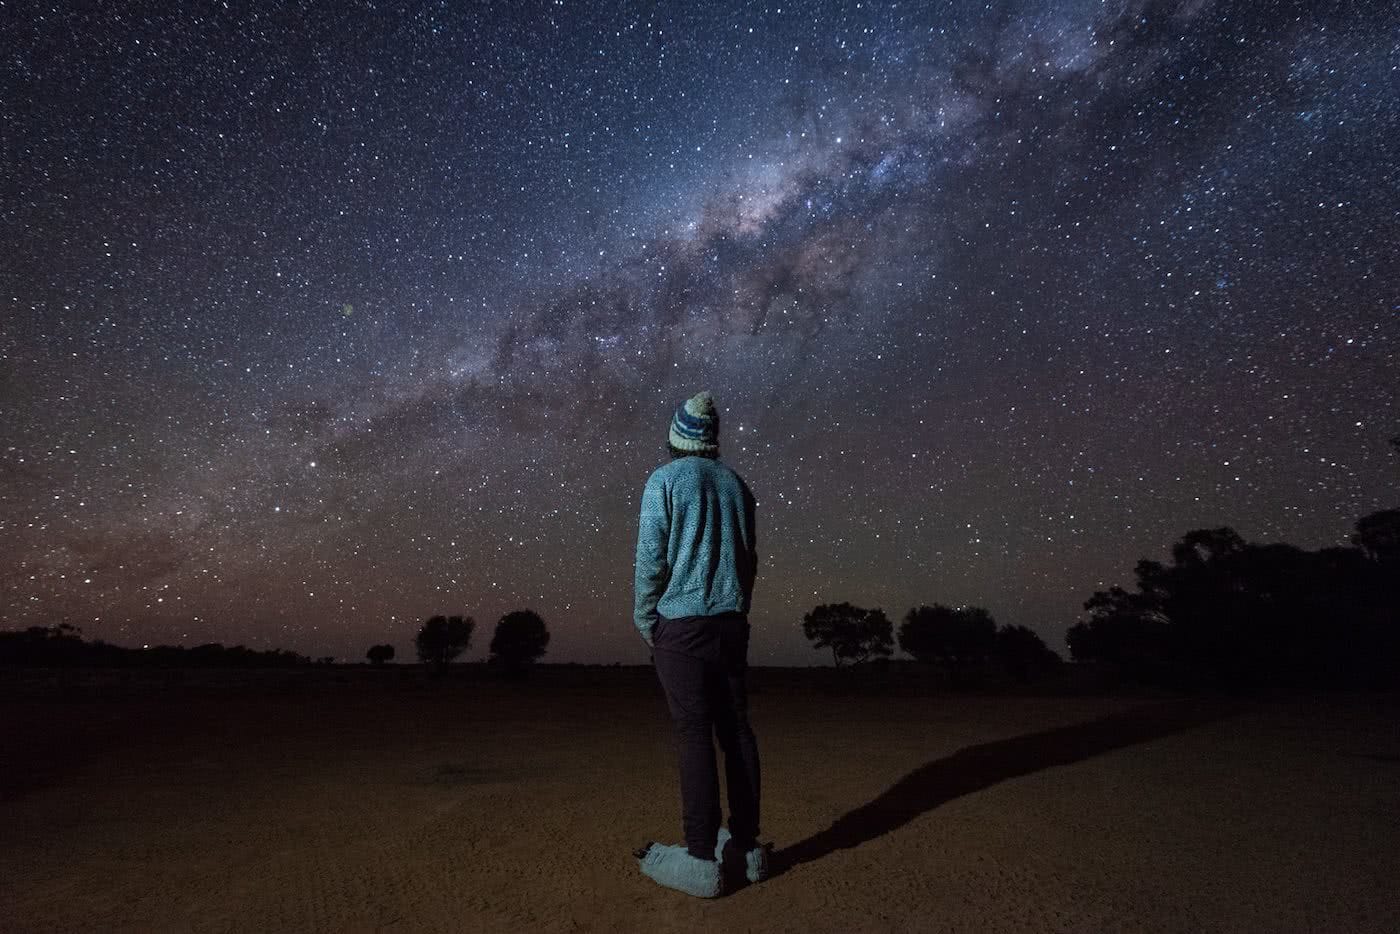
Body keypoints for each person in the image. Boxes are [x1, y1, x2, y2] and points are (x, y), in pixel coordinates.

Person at [631, 390, 771, 898]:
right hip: (731, 623)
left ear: (675, 439)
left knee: (693, 733)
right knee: (736, 730)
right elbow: (749, 562)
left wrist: (647, 620)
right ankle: (748, 848)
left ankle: (699, 857)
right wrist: (736, 608)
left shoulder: (663, 481)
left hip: (681, 627)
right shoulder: (737, 485)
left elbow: (651, 559)